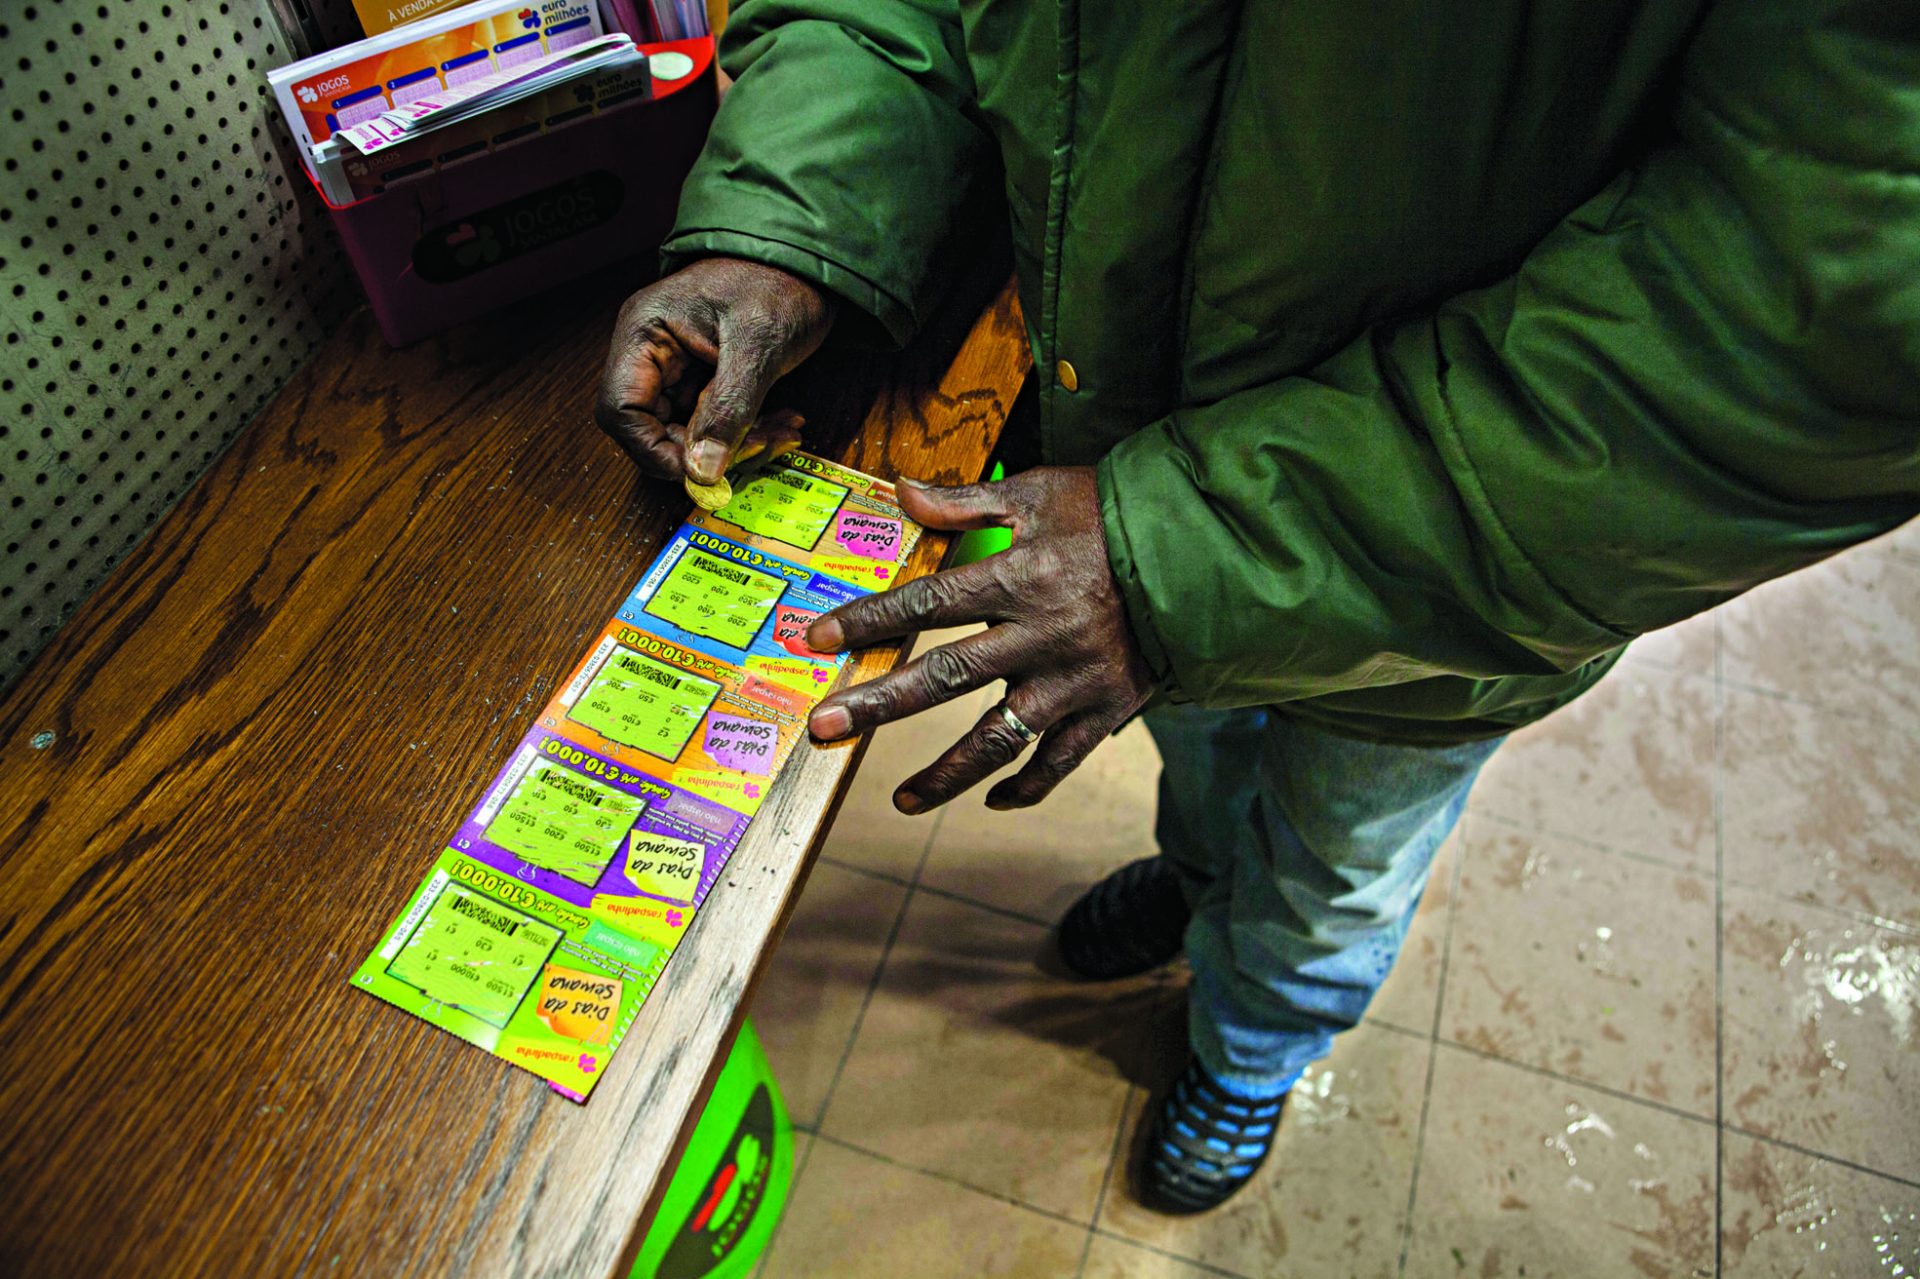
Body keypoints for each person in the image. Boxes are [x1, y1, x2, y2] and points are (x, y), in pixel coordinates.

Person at [595, 0, 1920, 1214]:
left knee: (1336, 867)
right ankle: (1197, 884)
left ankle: (1254, 1044)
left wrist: (1192, 554)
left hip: (1445, 588)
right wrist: (799, 218)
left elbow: (1813, 328)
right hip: (1138, 456)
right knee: (1211, 763)